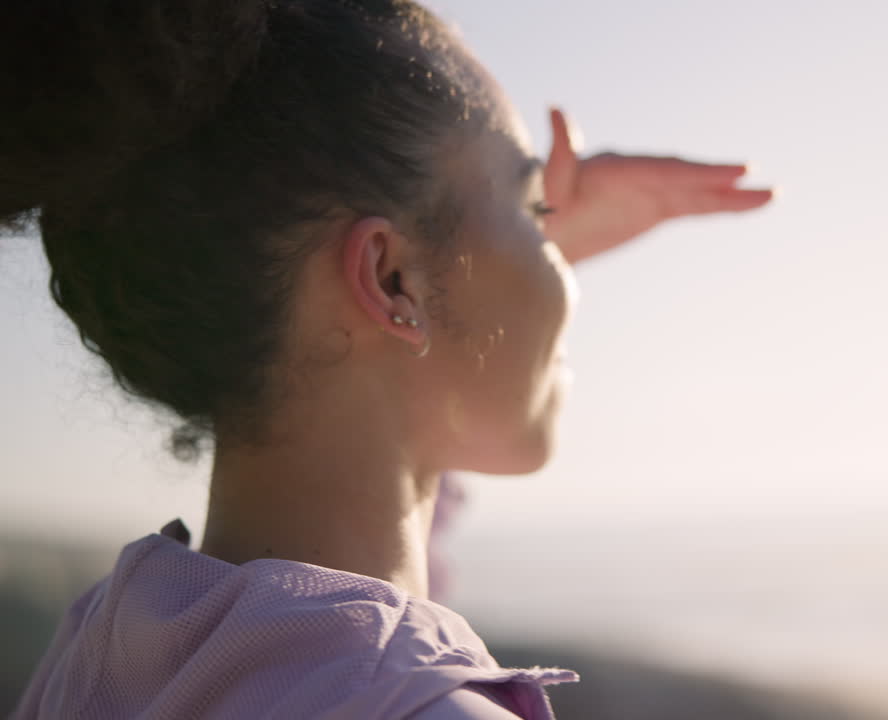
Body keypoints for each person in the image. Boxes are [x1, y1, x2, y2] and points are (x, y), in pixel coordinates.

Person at [1, 1, 773, 718]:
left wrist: (503, 265)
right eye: (535, 210)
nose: (562, 269)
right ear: (391, 278)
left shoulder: (101, 650)